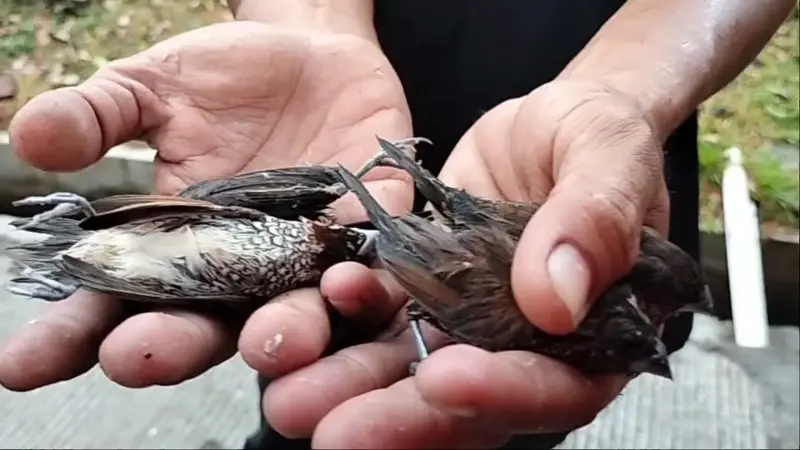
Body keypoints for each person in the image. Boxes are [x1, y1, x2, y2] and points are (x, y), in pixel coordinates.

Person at [0, 0, 794, 448]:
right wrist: (311, 27)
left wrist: (630, 92)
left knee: (495, 417)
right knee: (312, 378)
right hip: (342, 154)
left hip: (585, 167)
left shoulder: (594, 282)